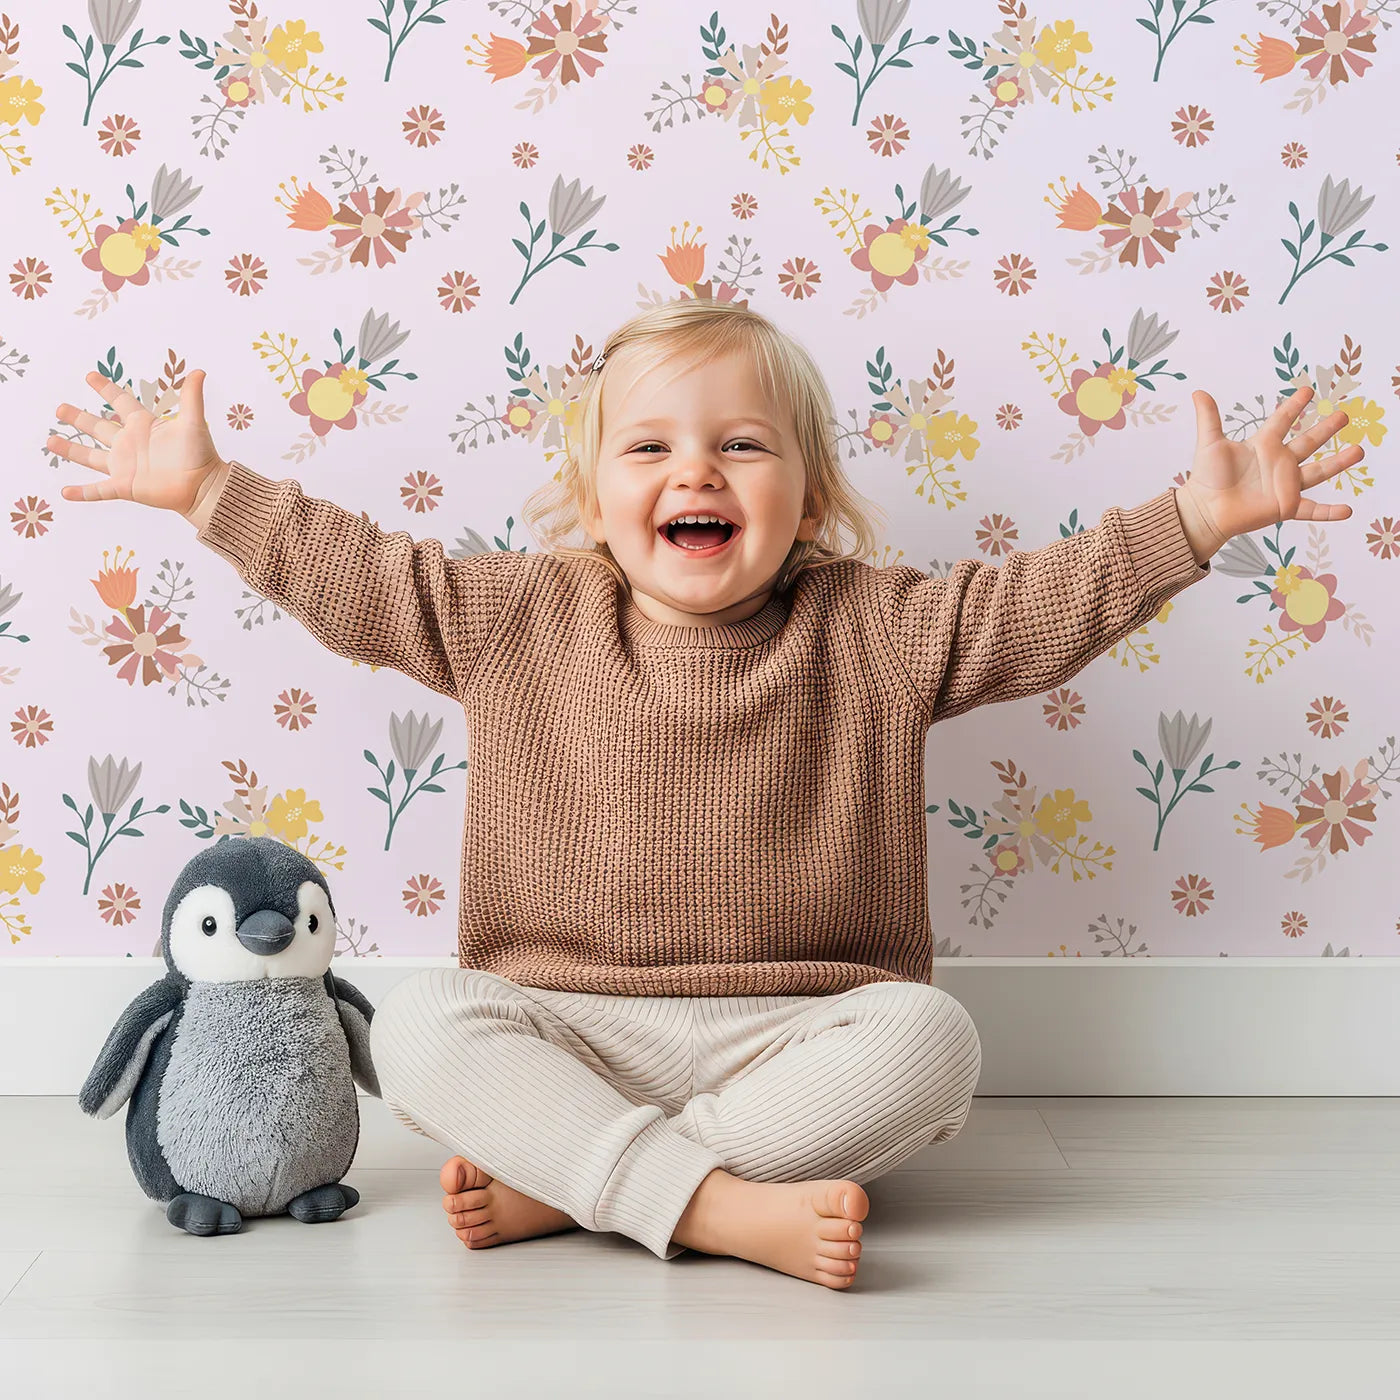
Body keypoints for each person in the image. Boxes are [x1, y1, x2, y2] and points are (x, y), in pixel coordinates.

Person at [48, 300, 1359, 1289]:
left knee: (935, 1042)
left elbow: (1037, 607)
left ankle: (583, 1185)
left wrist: (1188, 522)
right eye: (653, 448)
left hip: (801, 1034)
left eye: (743, 444)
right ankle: (724, 1205)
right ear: (594, 497)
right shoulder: (517, 617)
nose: (698, 474)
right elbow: (357, 575)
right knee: (422, 1027)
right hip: (565, 1024)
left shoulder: (879, 627)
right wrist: (211, 494)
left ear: (811, 497)